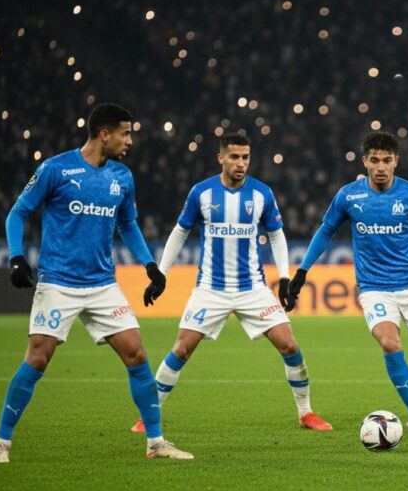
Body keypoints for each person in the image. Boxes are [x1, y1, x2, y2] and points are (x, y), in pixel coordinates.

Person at [0, 103, 192, 462]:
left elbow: (127, 225)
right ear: (104, 134)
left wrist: (149, 266)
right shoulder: (55, 168)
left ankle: (156, 442)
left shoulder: (122, 178)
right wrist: (16, 256)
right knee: (38, 358)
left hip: (101, 284)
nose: (130, 141)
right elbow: (18, 212)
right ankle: (1, 443)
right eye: (125, 133)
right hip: (59, 282)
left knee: (137, 352)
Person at [128, 134, 332, 433]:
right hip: (211, 288)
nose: (241, 163)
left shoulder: (262, 194)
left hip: (253, 289)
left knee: (289, 345)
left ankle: (306, 413)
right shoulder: (202, 193)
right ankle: (149, 415)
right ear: (220, 158)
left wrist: (285, 277)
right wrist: (161, 273)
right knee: (182, 348)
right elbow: (180, 231)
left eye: (246, 157)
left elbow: (276, 234)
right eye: (234, 157)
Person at [288, 131, 408, 439]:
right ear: (364, 161)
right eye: (374, 160)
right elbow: (325, 231)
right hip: (374, 288)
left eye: (387, 160)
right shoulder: (349, 196)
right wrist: (303, 271)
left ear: (396, 162)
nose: (380, 167)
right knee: (390, 343)